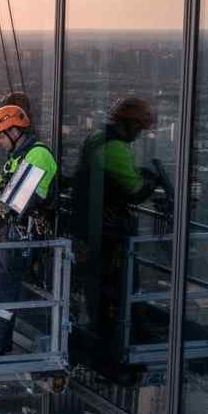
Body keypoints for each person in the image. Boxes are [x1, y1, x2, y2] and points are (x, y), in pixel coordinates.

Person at [71, 96, 161, 381]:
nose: (139, 135)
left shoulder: (97, 138)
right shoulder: (116, 148)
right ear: (131, 124)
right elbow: (135, 191)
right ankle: (115, 349)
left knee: (99, 289)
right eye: (139, 128)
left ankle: (107, 341)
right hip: (106, 229)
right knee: (117, 287)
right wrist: (152, 181)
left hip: (89, 225)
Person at [0, 104, 58, 357]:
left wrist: (0, 200)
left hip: (23, 231)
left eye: (0, 136)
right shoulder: (19, 156)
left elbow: (21, 200)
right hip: (8, 228)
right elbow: (8, 191)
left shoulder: (38, 155)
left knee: (4, 287)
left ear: (15, 131)